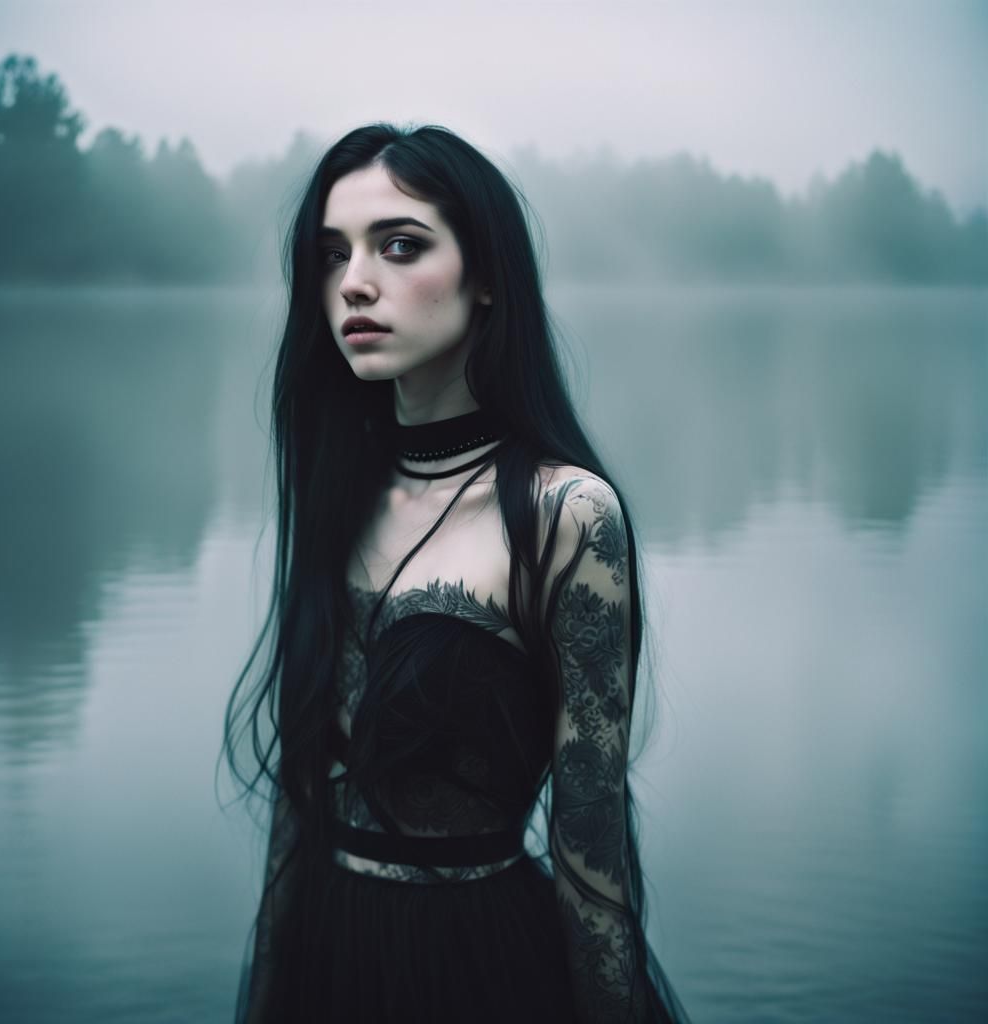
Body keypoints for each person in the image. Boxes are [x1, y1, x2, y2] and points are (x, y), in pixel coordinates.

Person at [222, 122, 691, 1024]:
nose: (354, 282)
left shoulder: (565, 516)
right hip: (325, 953)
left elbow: (592, 859)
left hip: (474, 964)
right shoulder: (339, 486)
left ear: (486, 278)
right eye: (332, 254)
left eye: (400, 246)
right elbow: (295, 807)